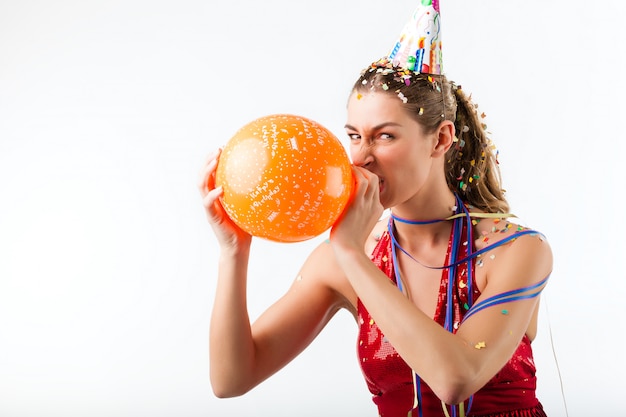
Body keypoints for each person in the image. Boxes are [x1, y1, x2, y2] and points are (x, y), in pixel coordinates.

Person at [198, 6, 553, 417]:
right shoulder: (342, 257)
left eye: (384, 136)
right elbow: (230, 379)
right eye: (353, 136)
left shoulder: (518, 250)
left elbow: (456, 378)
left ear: (440, 139)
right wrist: (233, 253)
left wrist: (351, 254)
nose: (361, 158)